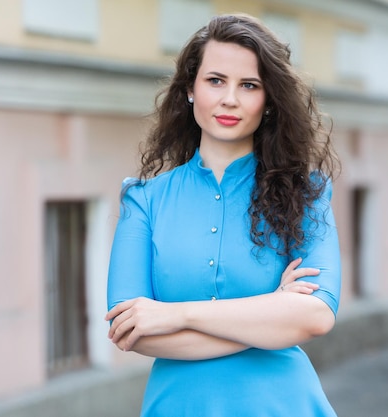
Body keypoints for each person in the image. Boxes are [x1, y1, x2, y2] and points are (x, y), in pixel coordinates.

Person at [106, 13, 341, 417]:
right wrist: (271, 312)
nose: (230, 98)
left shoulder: (307, 193)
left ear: (268, 101)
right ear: (190, 90)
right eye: (216, 80)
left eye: (249, 85)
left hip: (283, 404)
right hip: (178, 406)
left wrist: (175, 314)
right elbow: (130, 329)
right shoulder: (144, 200)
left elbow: (316, 315)